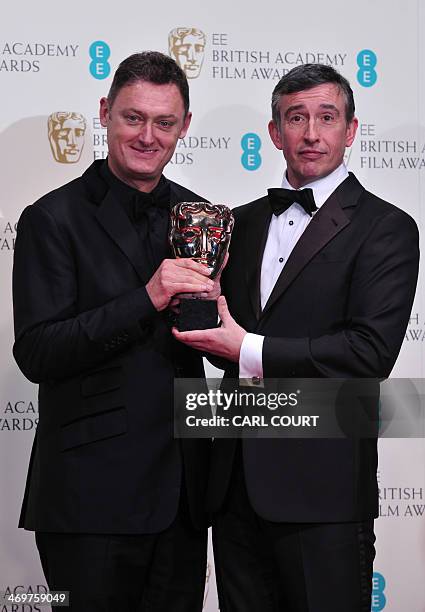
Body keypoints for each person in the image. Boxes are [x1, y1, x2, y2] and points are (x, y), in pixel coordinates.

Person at [173, 63, 420, 611]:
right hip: (233, 488)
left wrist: (247, 350)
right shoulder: (237, 223)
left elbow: (368, 353)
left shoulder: (387, 228)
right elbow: (209, 331)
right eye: (296, 117)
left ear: (350, 130)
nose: (311, 133)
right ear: (274, 133)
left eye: (326, 117)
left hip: (323, 491)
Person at [13, 51, 215, 611]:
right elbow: (37, 351)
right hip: (90, 499)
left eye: (165, 122)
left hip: (182, 496)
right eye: (133, 117)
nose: (148, 136)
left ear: (185, 127)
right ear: (105, 113)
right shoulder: (51, 219)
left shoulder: (202, 216)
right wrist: (148, 298)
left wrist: (221, 318)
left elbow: (216, 346)